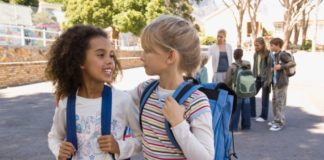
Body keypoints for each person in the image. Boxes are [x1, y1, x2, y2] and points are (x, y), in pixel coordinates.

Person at [46, 25, 142, 159]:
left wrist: (119, 146)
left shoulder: (123, 100)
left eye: (112, 56)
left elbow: (142, 140)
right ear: (80, 61)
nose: (110, 61)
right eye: (101, 55)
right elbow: (54, 137)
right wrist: (59, 151)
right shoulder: (66, 103)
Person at [129, 15, 214, 159]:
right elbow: (116, 101)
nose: (142, 57)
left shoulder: (196, 101)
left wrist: (178, 123)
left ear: (170, 56)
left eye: (148, 50)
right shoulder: (144, 90)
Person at [268, 38, 295, 131]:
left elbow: (292, 63)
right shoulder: (275, 55)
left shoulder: (283, 54)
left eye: (272, 45)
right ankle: (276, 119)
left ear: (278, 45)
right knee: (275, 102)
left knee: (280, 103)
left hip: (282, 82)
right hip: (275, 82)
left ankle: (279, 123)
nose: (270, 47)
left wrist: (281, 66)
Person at [225, 48, 251, 131]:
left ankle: (234, 126)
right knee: (246, 108)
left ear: (234, 56)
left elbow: (228, 80)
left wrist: (228, 89)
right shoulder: (247, 64)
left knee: (236, 108)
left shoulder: (232, 66)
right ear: (242, 55)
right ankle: (246, 126)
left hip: (236, 90)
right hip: (246, 89)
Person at [250, 37, 273, 122]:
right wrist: (252, 76)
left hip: (266, 79)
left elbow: (270, 67)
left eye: (257, 45)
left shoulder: (268, 54)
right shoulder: (255, 54)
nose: (256, 47)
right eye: (255, 45)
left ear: (263, 44)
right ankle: (252, 113)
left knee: (264, 98)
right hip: (258, 78)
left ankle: (264, 116)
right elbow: (254, 66)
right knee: (251, 93)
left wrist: (268, 80)